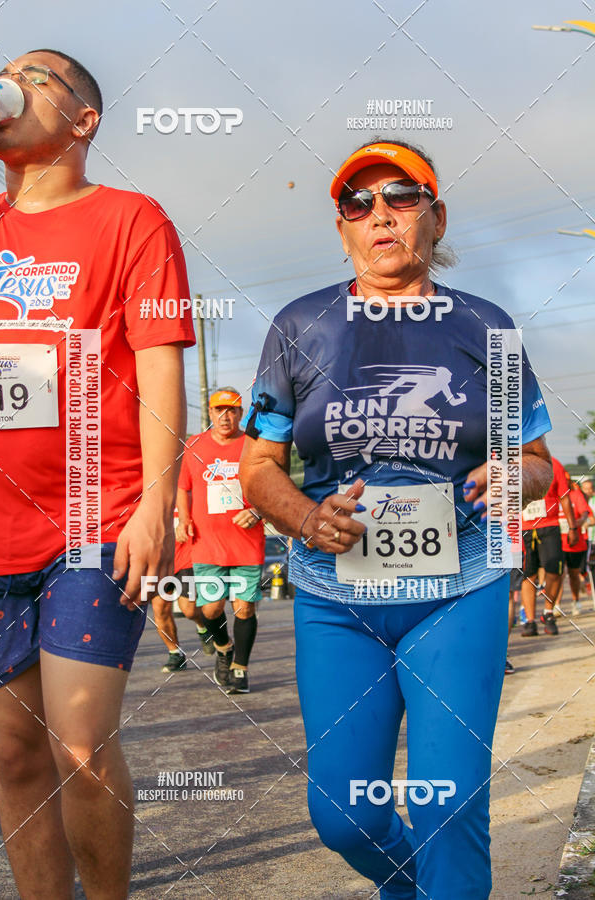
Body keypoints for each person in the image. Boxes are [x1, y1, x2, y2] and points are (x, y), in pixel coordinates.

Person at [239, 139, 553, 899]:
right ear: (343, 227)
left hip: (459, 586)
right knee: (343, 817)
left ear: (436, 218)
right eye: (359, 203)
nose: (380, 215)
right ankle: (410, 883)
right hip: (335, 597)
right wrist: (308, 518)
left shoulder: (486, 326)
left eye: (401, 198)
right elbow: (256, 467)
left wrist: (511, 474)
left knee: (449, 807)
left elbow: (540, 460)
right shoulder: (299, 325)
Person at [0, 50, 194, 898]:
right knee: (12, 750)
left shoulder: (131, 219)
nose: (12, 82)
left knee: (78, 738)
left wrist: (158, 502)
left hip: (93, 515)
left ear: (86, 120)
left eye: (36, 76)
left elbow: (157, 369)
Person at [177, 388, 265, 694]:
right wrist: (184, 519)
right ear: (210, 413)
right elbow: (183, 487)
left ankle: (240, 668)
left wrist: (256, 511)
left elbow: (271, 488)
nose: (225, 416)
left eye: (232, 410)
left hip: (246, 542)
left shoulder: (253, 446)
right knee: (211, 609)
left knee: (244, 609)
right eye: (219, 410)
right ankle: (224, 647)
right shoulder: (194, 445)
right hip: (207, 543)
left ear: (241, 414)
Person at [520, 456, 577, 636]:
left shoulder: (553, 464)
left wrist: (573, 527)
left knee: (554, 570)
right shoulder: (512, 463)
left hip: (549, 525)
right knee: (528, 574)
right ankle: (530, 621)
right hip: (524, 527)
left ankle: (548, 612)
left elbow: (565, 497)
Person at [150, 515, 215, 672]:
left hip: (186, 559)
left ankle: (203, 628)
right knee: (159, 610)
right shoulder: (147, 494)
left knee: (189, 610)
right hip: (158, 561)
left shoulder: (185, 494)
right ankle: (175, 654)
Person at [554, 474, 594, 616]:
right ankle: (556, 604)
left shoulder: (575, 494)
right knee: (557, 573)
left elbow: (585, 513)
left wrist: (578, 523)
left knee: (573, 573)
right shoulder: (552, 495)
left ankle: (575, 600)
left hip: (575, 541)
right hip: (556, 539)